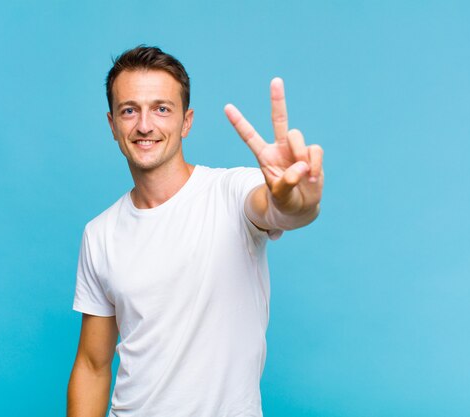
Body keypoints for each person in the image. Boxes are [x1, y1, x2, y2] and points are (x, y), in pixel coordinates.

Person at [67, 45, 324, 417]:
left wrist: (296, 200)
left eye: (161, 109)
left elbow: (277, 208)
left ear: (186, 121)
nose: (144, 125)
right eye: (129, 110)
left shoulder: (231, 193)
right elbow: (92, 365)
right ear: (112, 125)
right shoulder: (99, 233)